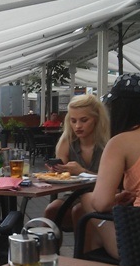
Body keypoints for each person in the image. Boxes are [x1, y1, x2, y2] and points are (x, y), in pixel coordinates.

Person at [79, 73, 140, 259]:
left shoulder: (121, 142)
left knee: (87, 199)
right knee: (93, 233)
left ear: (119, 107)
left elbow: (101, 203)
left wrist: (115, 200)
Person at [44, 94, 110, 229]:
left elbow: (114, 182)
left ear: (97, 119)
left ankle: (83, 244)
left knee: (78, 211)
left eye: (84, 120)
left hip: (105, 195)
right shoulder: (67, 141)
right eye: (73, 121)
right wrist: (56, 172)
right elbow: (62, 174)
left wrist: (82, 172)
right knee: (51, 210)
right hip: (75, 194)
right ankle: (48, 243)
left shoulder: (109, 143)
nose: (78, 126)